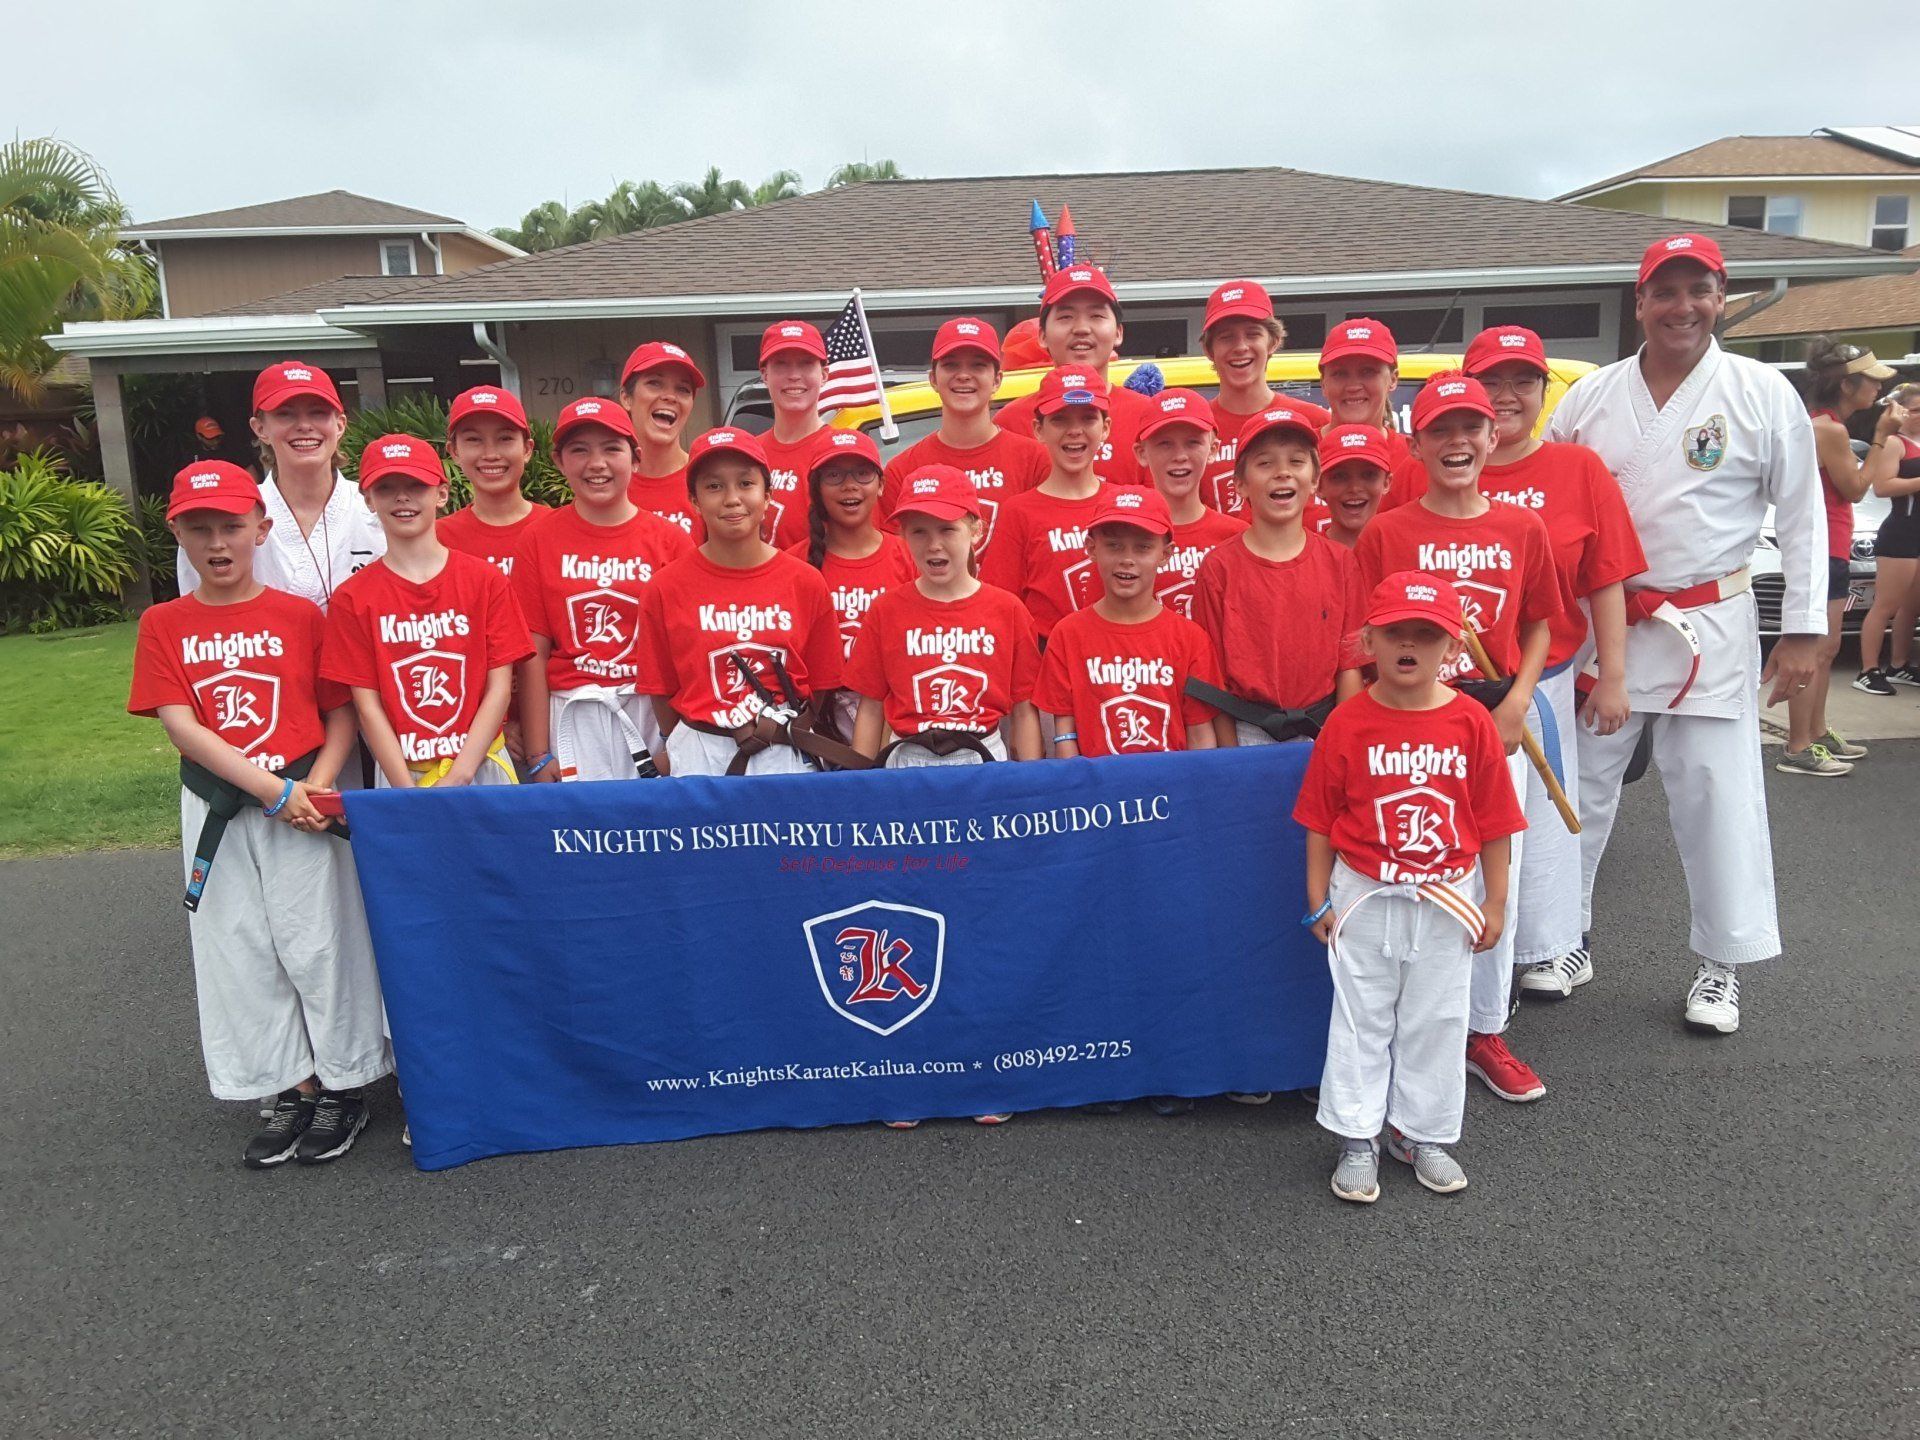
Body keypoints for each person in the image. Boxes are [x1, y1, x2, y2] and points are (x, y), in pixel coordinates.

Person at [1544, 233, 1827, 1033]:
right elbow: (1556, 508)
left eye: (1697, 290)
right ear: (1640, 303)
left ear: (1720, 296)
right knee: (1581, 790)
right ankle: (1565, 936)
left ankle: (1720, 964)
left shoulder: (1761, 392)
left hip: (1710, 619)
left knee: (1713, 793)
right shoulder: (1592, 397)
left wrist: (1806, 630)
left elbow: (1804, 516)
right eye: (1664, 292)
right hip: (1610, 621)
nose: (1682, 307)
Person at [128, 460, 390, 1167]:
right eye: (200, 528)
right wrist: (269, 791)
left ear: (260, 529)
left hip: (305, 800)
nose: (217, 543)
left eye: (232, 527)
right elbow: (182, 724)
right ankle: (287, 1083)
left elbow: (338, 714)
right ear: (176, 533)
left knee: (321, 941)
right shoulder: (164, 622)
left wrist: (317, 788)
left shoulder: (300, 616)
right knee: (239, 946)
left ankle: (344, 1083)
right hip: (223, 805)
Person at [1413, 327, 1646, 1007]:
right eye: (1493, 381)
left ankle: (1551, 945)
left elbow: (1605, 579)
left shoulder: (1577, 470)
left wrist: (1614, 675)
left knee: (1535, 824)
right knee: (1453, 822)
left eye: (1524, 381)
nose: (1508, 396)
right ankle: (1455, 953)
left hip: (1532, 681)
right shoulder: (1429, 463)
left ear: (1544, 392)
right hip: (1439, 684)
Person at [1355, 372, 1559, 1101]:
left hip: (1496, 713)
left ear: (1493, 435)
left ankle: (1482, 1027)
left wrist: (1519, 701)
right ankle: (1410, 1021)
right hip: (1413, 717)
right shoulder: (1389, 529)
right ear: (1416, 442)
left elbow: (1538, 620)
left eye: (1470, 428)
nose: (1457, 442)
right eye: (1440, 430)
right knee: (1418, 857)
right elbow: (1366, 637)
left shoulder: (1521, 526)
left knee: (1492, 863)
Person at [1294, 571, 1526, 1203]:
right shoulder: (1347, 722)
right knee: (1361, 1016)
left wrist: (1497, 900)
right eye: (1396, 632)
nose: (1409, 646)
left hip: (1446, 896)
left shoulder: (1471, 723)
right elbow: (1318, 818)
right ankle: (1357, 1135)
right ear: (1370, 639)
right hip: (1366, 891)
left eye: (1426, 635)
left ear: (1452, 647)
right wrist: (1317, 898)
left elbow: (1497, 821)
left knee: (1437, 1018)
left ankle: (1421, 1131)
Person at [323, 433, 533, 790]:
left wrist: (460, 775)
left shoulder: (485, 580)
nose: (403, 497)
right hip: (401, 774)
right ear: (368, 499)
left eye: (416, 485)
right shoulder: (352, 597)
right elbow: (367, 706)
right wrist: (406, 790)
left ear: (441, 493)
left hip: (482, 768)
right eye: (387, 487)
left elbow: (499, 688)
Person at [637, 428, 848, 777]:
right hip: (701, 753)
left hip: (785, 751)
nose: (732, 498)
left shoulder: (805, 581)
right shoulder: (665, 587)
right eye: (714, 486)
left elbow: (822, 681)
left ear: (767, 496)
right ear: (693, 501)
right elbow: (661, 689)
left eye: (746, 483)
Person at [513, 398, 693, 783]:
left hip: (648, 708)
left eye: (612, 449)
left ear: (636, 458)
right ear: (559, 461)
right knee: (580, 836)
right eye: (580, 450)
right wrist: (538, 753)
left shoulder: (670, 540)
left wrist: (676, 738)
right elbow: (533, 653)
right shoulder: (539, 539)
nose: (596, 464)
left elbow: (685, 651)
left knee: (655, 833)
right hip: (573, 712)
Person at [1192, 406, 1368, 749]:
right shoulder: (1219, 568)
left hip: (1325, 730)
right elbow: (1214, 681)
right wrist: (1231, 760)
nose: (1282, 473)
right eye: (1265, 463)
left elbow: (1350, 667)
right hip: (1248, 733)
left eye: (1297, 461)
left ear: (1315, 479)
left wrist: (1343, 744)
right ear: (1240, 484)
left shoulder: (1340, 563)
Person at [848, 464, 1044, 768]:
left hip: (982, 756)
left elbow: (1024, 709)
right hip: (908, 759)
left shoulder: (1008, 610)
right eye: (919, 531)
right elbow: (871, 708)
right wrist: (856, 785)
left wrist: (1032, 784)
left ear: (976, 530)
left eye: (947, 529)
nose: (934, 545)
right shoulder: (886, 611)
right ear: (903, 535)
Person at [176, 361, 384, 613]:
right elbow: (201, 616)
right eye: (285, 414)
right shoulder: (229, 517)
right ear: (260, 428)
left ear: (340, 425)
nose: (304, 425)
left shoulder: (378, 509)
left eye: (318, 412)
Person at [1783, 338, 1898, 761]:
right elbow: (1854, 488)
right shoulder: (1828, 429)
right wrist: (1883, 436)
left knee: (1828, 647)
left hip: (1832, 547)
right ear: (1848, 386)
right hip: (1821, 547)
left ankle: (1815, 731)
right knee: (1813, 649)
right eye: (1872, 381)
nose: (1879, 389)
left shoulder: (1827, 424)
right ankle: (1798, 745)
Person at [879, 317, 1049, 552]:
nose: (964, 375)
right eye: (951, 365)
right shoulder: (902, 471)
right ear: (933, 379)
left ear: (997, 380)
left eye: (978, 365)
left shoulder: (1035, 460)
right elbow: (895, 559)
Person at [792, 428, 916, 738]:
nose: (850, 486)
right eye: (834, 475)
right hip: (817, 719)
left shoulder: (909, 555)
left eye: (862, 474)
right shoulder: (793, 564)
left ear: (882, 484)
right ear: (816, 489)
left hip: (897, 716)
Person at [979, 366, 1114, 642]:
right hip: (1046, 664)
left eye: (1088, 418)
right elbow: (1000, 608)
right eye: (1060, 420)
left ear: (1106, 428)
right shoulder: (1019, 512)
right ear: (1038, 430)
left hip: (1115, 667)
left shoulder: (1121, 503)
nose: (1075, 431)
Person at [992, 266, 1153, 486]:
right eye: (1066, 316)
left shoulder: (1149, 417)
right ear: (1041, 335)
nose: (1081, 328)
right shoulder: (1010, 423)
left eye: (1096, 316)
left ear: (1118, 333)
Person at [1196, 280, 1328, 515]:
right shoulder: (1195, 428)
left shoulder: (1314, 422)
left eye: (1253, 334)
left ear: (1273, 342)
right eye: (1226, 337)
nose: (1241, 346)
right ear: (1209, 350)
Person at [1132, 388, 1247, 619]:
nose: (1180, 455)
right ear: (1141, 453)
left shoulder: (1238, 537)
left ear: (1213, 449)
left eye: (1193, 442)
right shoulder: (1125, 538)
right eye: (1165, 444)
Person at [438, 386, 549, 575]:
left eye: (505, 438)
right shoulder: (437, 539)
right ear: (454, 451)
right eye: (474, 439)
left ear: (527, 449)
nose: (490, 454)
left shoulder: (558, 529)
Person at [1855, 382, 1920, 693]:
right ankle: (1868, 669)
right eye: (1915, 410)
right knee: (1886, 604)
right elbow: (1882, 487)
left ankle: (1899, 664)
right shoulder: (1896, 443)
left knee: (1912, 605)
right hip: (1901, 532)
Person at [755, 320, 832, 548]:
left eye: (806, 364)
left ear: (824, 374)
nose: (794, 375)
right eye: (781, 364)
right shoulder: (748, 453)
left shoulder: (841, 452)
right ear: (764, 374)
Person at [620, 340, 706, 538]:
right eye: (654, 383)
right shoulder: (606, 484)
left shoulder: (705, 478)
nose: (670, 396)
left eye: (682, 389)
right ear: (626, 398)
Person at [1318, 319, 1413, 475]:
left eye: (1368, 372)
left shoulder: (1414, 458)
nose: (1353, 386)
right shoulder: (1296, 455)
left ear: (1393, 380)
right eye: (1340, 373)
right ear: (1323, 383)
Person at [1316, 424, 1395, 550]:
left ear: (1386, 482)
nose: (1355, 488)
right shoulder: (1309, 558)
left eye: (1368, 475)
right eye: (1340, 476)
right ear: (1319, 486)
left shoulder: (1403, 550)